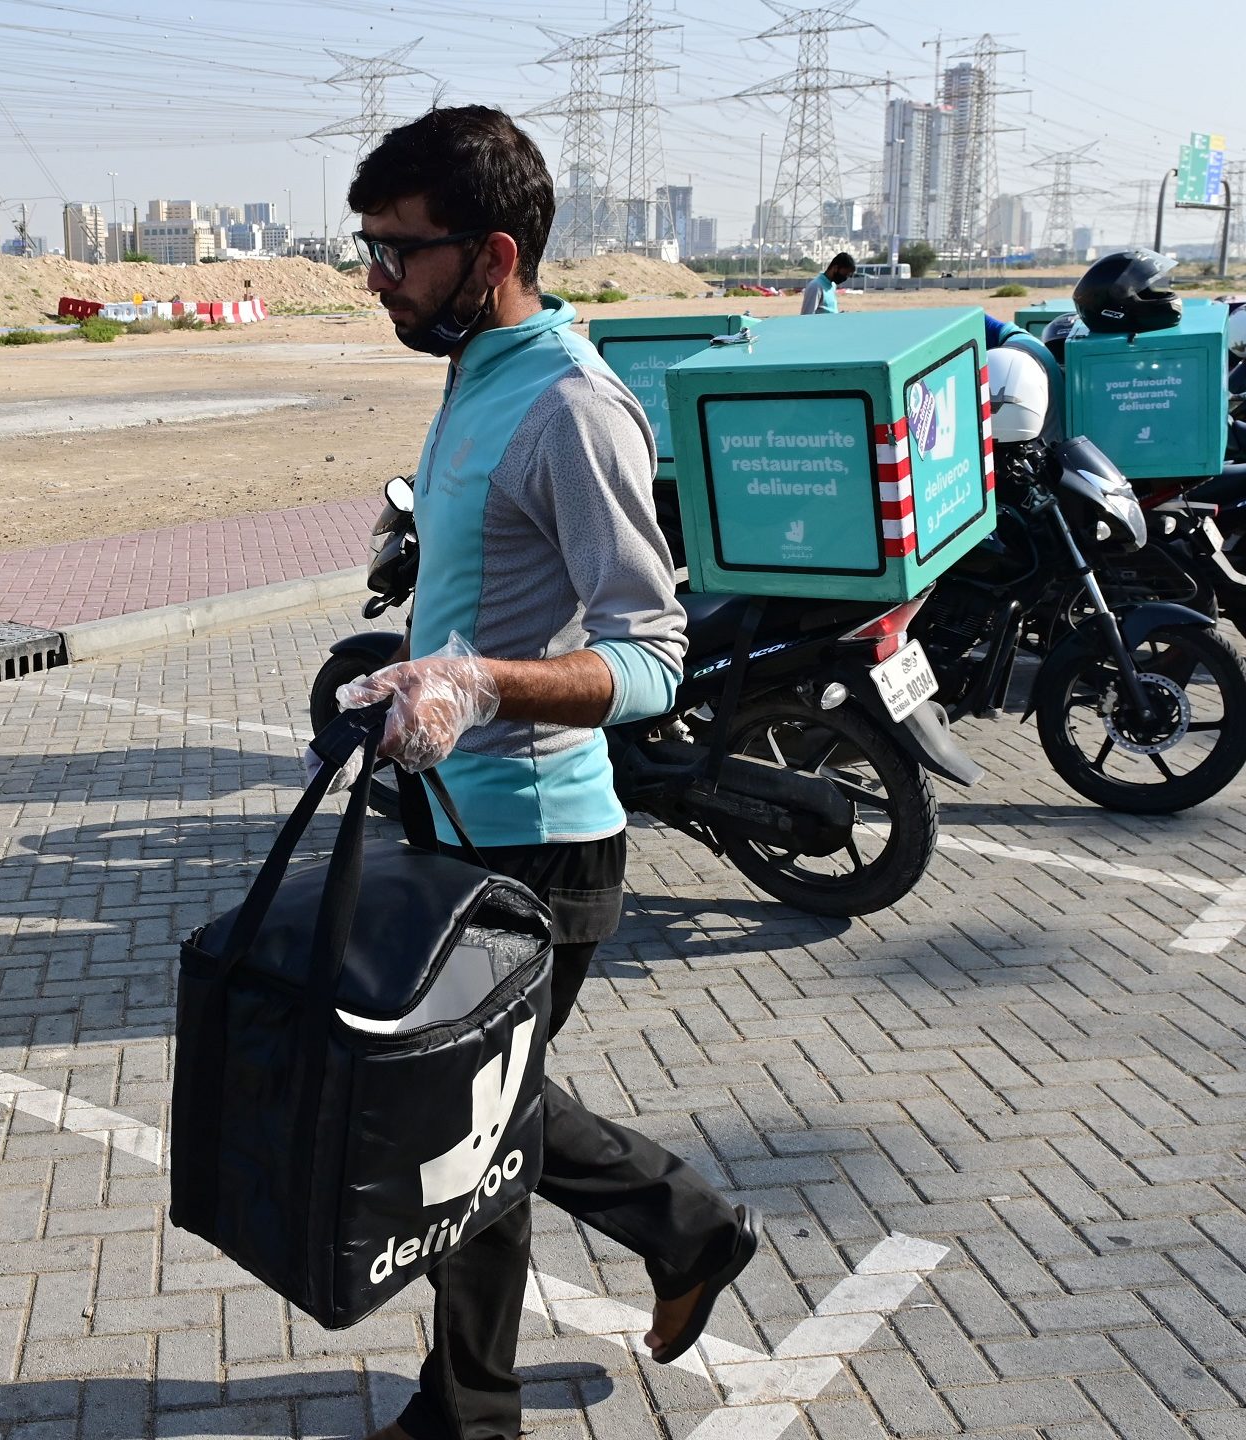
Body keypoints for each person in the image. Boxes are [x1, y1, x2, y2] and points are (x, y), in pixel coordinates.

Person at [324, 105, 758, 1440]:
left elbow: (653, 656)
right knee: (471, 1122)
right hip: (455, 818)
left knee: (467, 1124)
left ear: (493, 251)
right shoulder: (479, 368)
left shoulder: (573, 405)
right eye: (371, 248)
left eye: (400, 252)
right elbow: (488, 593)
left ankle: (517, 1372)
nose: (378, 277)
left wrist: (481, 683)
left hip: (542, 847)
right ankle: (501, 1383)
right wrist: (403, 660)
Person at [800, 250, 856, 314]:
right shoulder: (816, 287)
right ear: (835, 268)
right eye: (845, 274)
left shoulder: (832, 285)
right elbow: (807, 317)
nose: (845, 278)